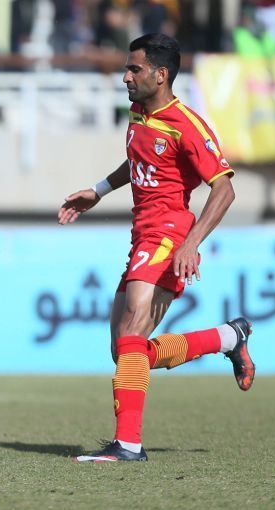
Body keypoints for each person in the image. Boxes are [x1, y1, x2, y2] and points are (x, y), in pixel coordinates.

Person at [57, 33, 255, 462]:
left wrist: (190, 243)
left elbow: (224, 190)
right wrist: (98, 190)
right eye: (127, 68)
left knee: (132, 334)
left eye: (135, 69)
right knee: (125, 350)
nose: (125, 77)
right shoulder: (139, 113)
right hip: (142, 234)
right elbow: (140, 160)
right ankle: (226, 337)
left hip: (169, 234)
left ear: (161, 75)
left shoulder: (186, 124)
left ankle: (128, 444)